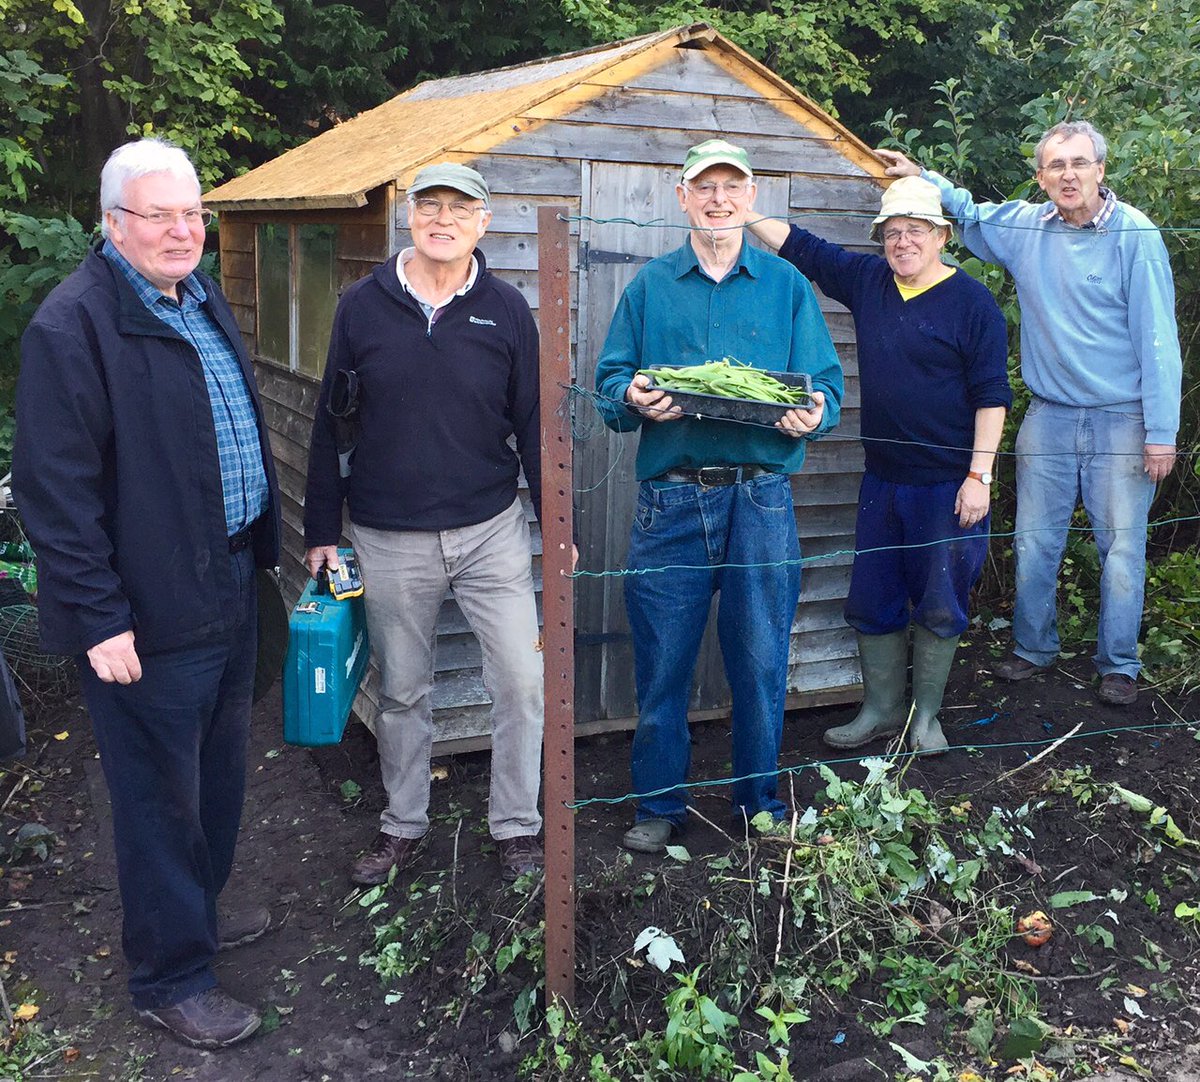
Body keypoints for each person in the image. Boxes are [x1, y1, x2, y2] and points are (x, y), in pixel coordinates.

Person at [13, 138, 280, 1049]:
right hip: (148, 608)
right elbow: (57, 493)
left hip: (229, 579)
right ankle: (170, 975)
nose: (181, 231)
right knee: (158, 795)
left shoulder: (198, 300)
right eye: (159, 214)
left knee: (216, 776)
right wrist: (99, 619)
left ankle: (194, 912)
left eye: (193, 213)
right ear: (112, 223)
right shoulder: (73, 327)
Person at [594, 139, 844, 854]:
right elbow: (611, 382)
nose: (718, 199)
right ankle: (658, 806)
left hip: (761, 502)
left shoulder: (785, 286)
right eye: (705, 187)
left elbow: (826, 385)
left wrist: (813, 412)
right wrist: (633, 397)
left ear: (750, 196)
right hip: (671, 502)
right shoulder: (650, 286)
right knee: (662, 659)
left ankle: (758, 805)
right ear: (682, 197)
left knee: (761, 659)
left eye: (731, 187)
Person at [877, 121, 1183, 705]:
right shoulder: (1026, 228)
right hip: (1050, 414)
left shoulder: (1134, 234)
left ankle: (1118, 662)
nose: (1068, 175)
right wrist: (922, 179)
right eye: (1055, 166)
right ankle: (1033, 647)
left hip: (1123, 418)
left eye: (1079, 163)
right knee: (1036, 540)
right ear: (1040, 177)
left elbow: (1158, 339)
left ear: (1101, 169)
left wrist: (1160, 431)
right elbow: (967, 215)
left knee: (1121, 547)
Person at [304, 163, 545, 886]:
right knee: (404, 689)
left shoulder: (506, 309)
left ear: (484, 222)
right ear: (410, 217)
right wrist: (322, 528)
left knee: (522, 680)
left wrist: (561, 524)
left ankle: (517, 827)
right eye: (430, 206)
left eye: (460, 209)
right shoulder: (362, 306)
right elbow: (328, 419)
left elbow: (533, 422)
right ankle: (403, 824)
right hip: (388, 534)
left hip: (489, 529)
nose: (444, 219)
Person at [749, 177, 1011, 754]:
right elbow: (806, 249)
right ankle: (882, 709)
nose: (903, 242)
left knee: (942, 599)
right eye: (892, 233)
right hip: (883, 479)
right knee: (874, 595)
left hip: (948, 484)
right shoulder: (871, 282)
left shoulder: (973, 303)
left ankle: (926, 718)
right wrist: (744, 211)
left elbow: (993, 395)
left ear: (942, 236)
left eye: (915, 230)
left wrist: (979, 476)